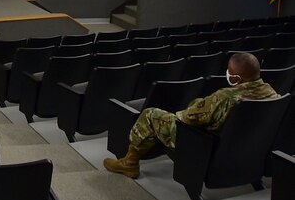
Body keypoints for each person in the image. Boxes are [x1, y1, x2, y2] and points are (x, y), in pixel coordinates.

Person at [104, 52, 279, 179]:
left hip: (201, 144)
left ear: (236, 79)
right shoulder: (273, 95)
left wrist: (194, 105)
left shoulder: (226, 97)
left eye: (230, 72)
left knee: (150, 114)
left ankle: (130, 163)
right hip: (243, 149)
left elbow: (186, 118)